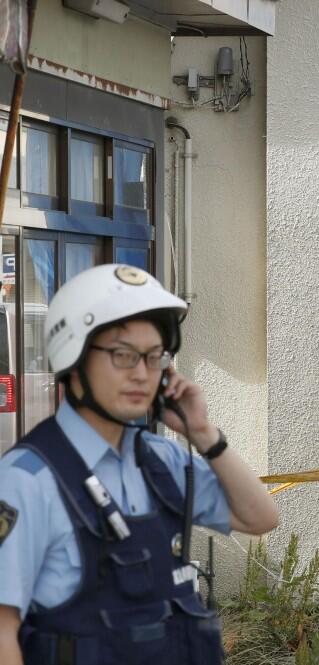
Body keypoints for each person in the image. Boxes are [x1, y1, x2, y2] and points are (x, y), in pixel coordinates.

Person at [0, 264, 279, 665]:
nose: (142, 374)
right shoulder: (26, 480)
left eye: (153, 357)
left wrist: (203, 434)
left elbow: (260, 518)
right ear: (73, 360)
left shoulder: (160, 460)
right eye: (123, 355)